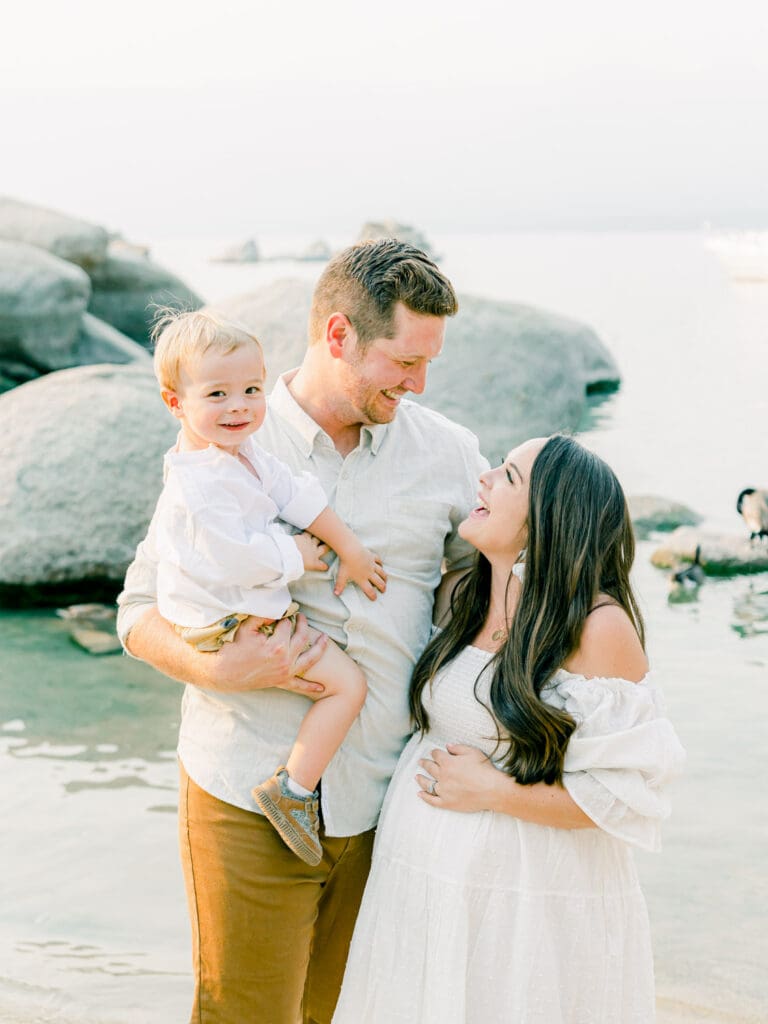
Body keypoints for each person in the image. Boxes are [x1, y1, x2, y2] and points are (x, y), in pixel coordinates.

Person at [116, 239, 488, 1024]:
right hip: (245, 788)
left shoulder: (449, 454)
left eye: (430, 365)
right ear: (338, 334)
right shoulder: (219, 441)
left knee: (339, 1014)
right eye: (402, 362)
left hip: (386, 801)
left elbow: (490, 592)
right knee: (243, 1014)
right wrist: (215, 670)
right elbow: (137, 610)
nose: (417, 385)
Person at [332, 434, 686, 1024]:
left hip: (526, 903)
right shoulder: (461, 595)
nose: (485, 479)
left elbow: (629, 795)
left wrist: (495, 792)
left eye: (509, 477)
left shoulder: (598, 630)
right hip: (423, 882)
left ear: (550, 518)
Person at [145, 308, 388, 865]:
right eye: (218, 395)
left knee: (331, 681)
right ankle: (293, 790)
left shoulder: (242, 452)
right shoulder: (196, 482)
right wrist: (296, 556)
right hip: (225, 620)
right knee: (346, 687)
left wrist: (348, 547)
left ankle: (294, 785)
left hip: (242, 606)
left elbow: (295, 492)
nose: (239, 407)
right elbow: (231, 556)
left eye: (252, 389)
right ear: (175, 403)